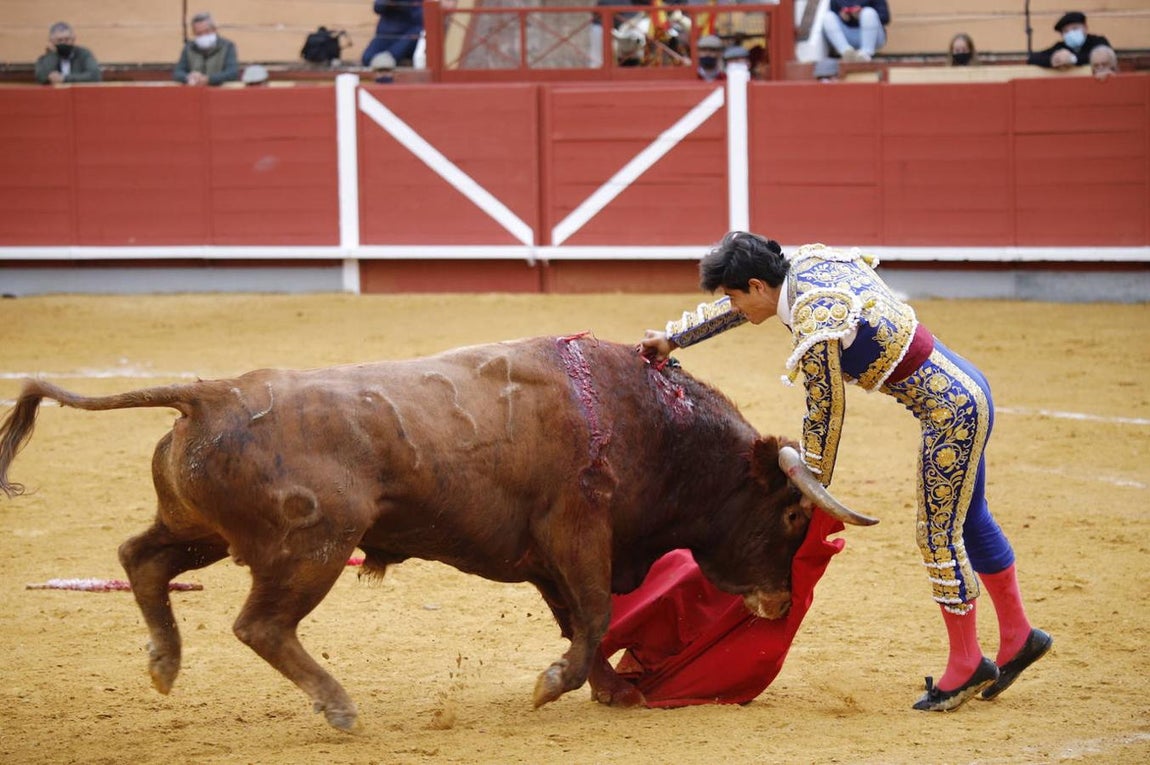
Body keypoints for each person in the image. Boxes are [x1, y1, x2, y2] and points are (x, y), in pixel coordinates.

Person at [638, 232, 1053, 712]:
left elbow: (826, 411)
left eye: (734, 294)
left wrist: (809, 486)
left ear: (756, 285)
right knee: (971, 518)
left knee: (938, 535)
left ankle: (966, 663)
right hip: (968, 390)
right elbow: (750, 310)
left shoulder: (816, 320)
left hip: (950, 415)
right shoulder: (806, 264)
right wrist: (675, 338)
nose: (735, 306)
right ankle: (1019, 637)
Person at [1027, 11, 1111, 70]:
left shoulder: (1098, 41)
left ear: (1085, 28)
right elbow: (1032, 58)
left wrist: (1072, 59)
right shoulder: (1061, 46)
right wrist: (1053, 60)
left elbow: (1106, 57)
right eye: (1066, 31)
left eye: (1075, 28)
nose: (1070, 33)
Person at [173, 12, 239, 86]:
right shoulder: (189, 48)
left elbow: (232, 73)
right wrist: (189, 77)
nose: (203, 36)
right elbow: (178, 73)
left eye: (207, 31)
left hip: (218, 91)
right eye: (199, 33)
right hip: (195, 91)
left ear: (214, 29)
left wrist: (209, 79)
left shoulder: (227, 46)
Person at [34, 22, 101, 85]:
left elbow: (95, 76)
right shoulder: (45, 58)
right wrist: (53, 54)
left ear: (73, 39)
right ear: (51, 41)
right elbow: (41, 77)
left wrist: (64, 78)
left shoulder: (84, 54)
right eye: (59, 40)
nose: (63, 43)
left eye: (67, 39)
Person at [822, 1, 890, 63]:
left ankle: (865, 54)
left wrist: (860, 14)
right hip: (848, 35)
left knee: (868, 12)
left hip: (873, 36)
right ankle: (846, 52)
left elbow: (885, 18)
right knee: (828, 17)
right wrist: (842, 17)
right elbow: (834, 15)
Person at [361, 1, 424, 67]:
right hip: (385, 35)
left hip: (406, 36)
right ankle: (384, 60)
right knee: (367, 58)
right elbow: (377, 7)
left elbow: (421, 18)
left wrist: (403, 5)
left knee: (416, 32)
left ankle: (388, 58)